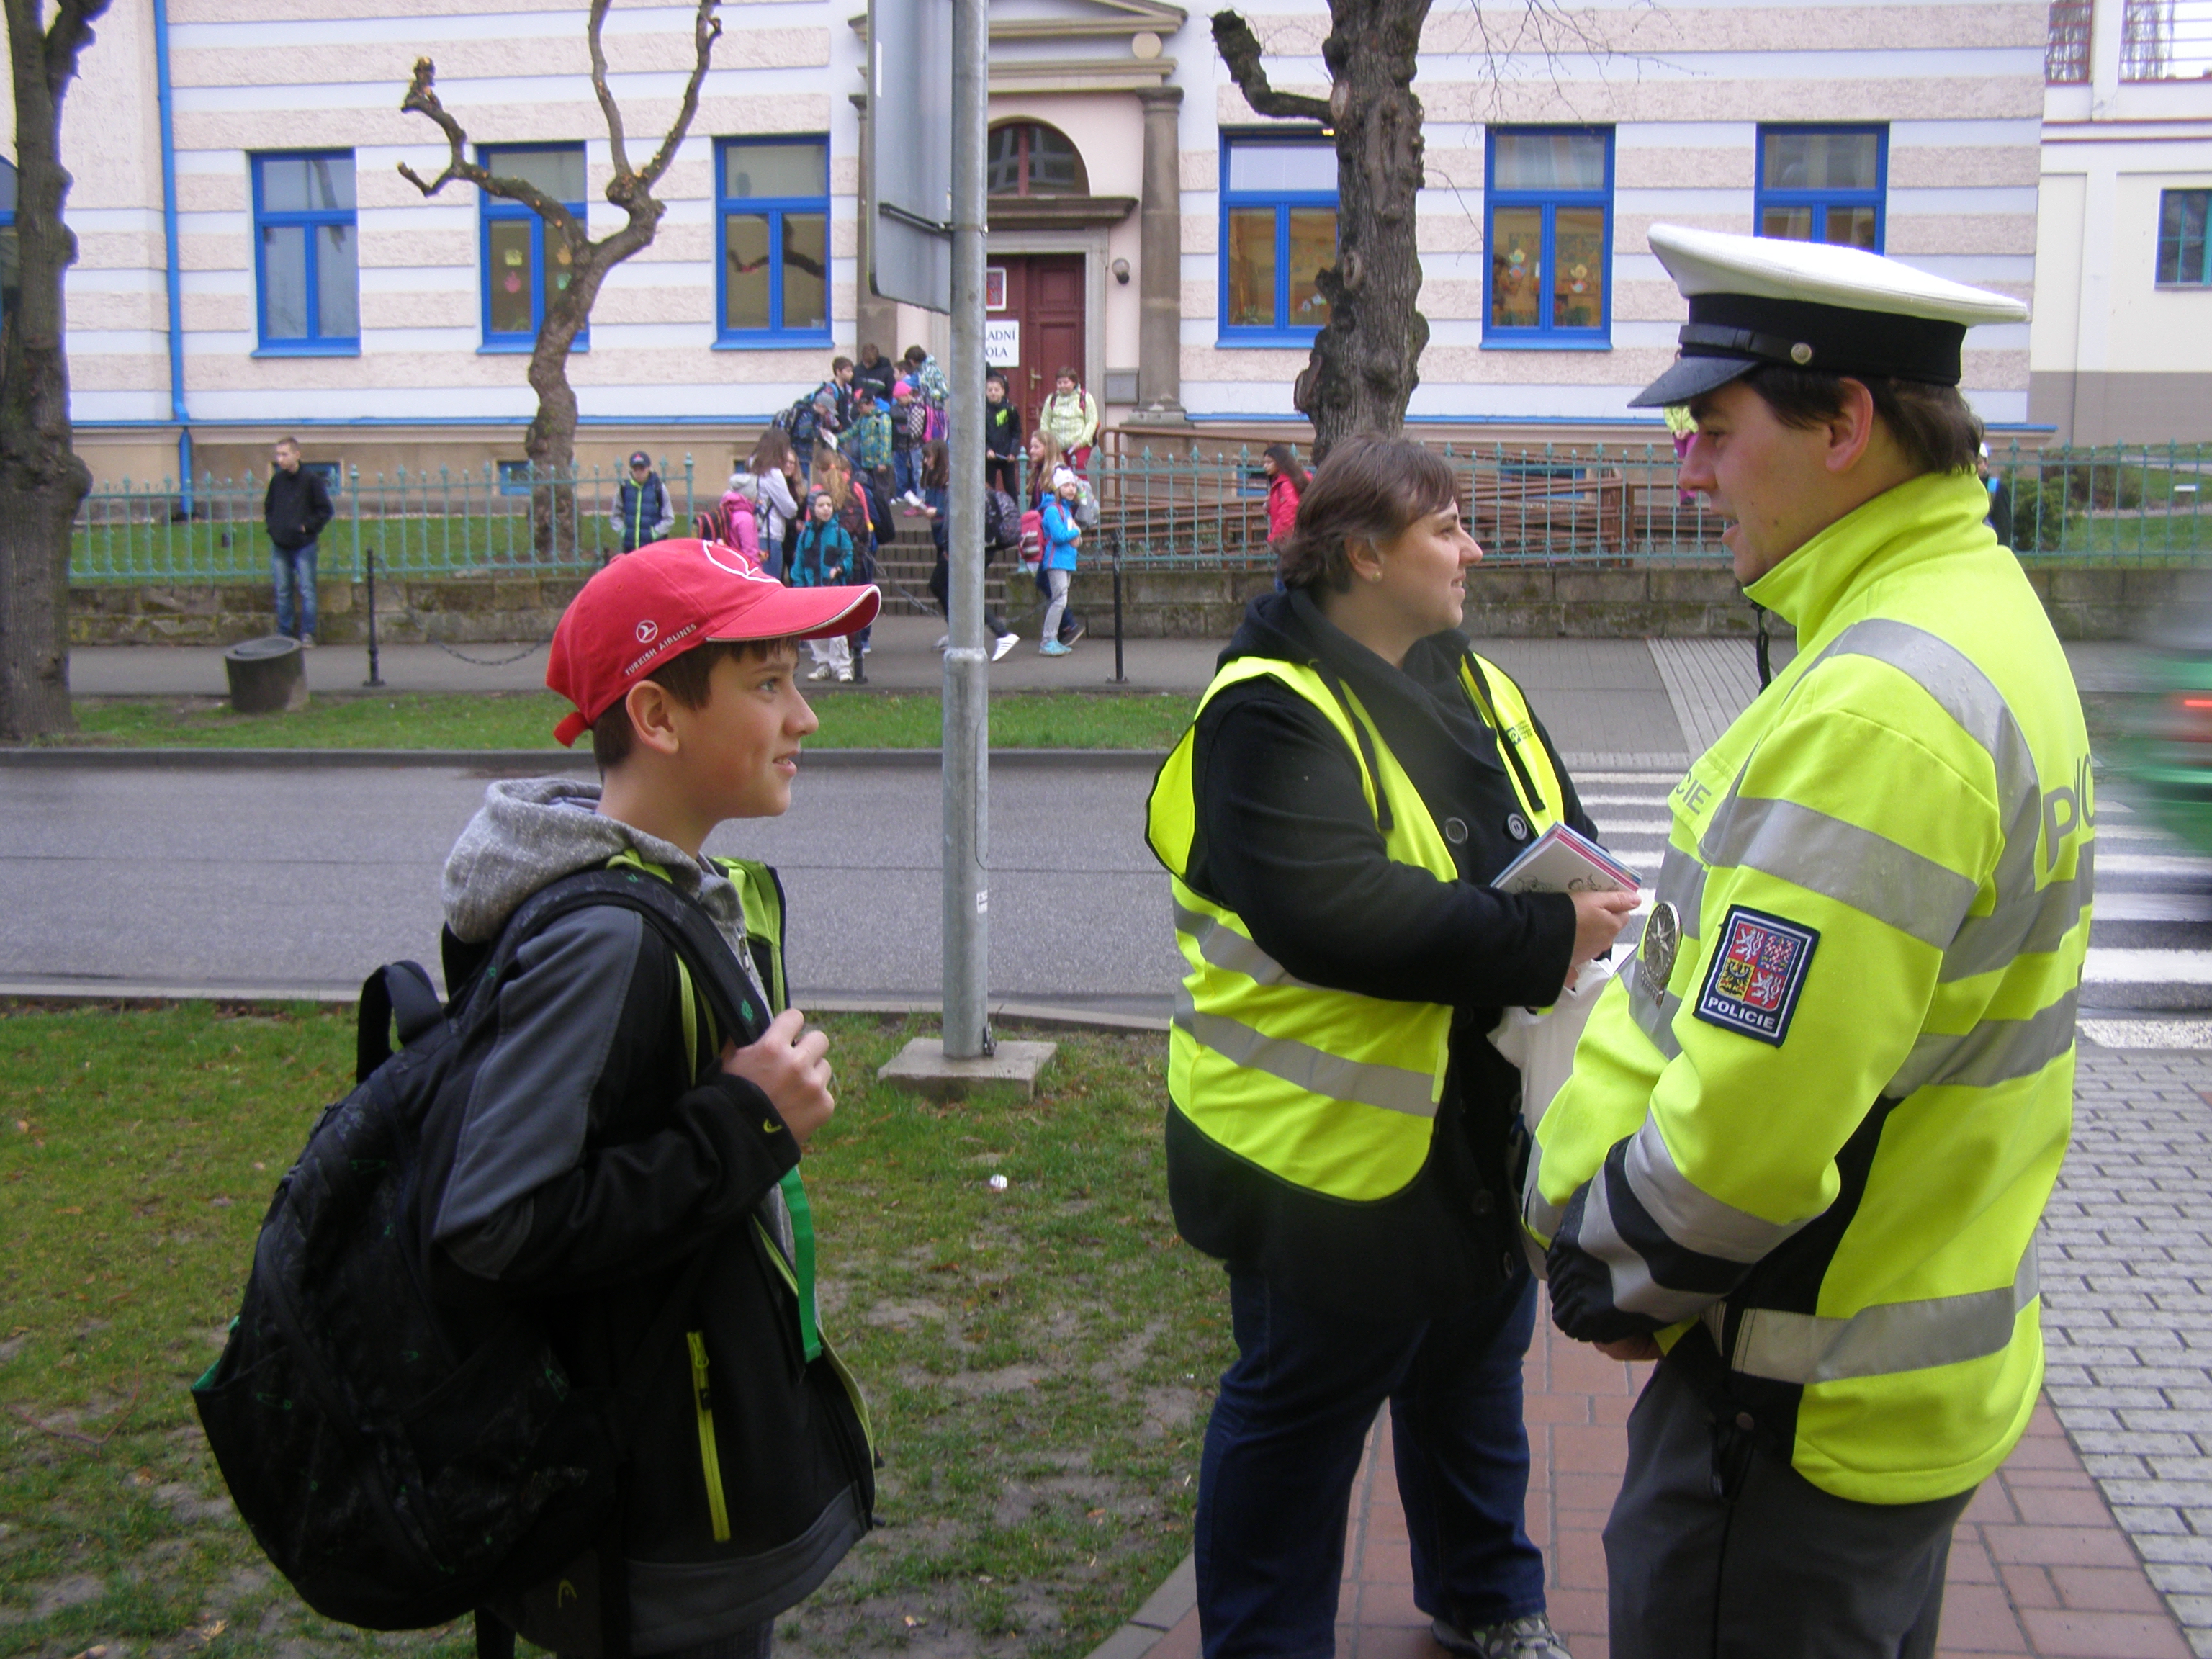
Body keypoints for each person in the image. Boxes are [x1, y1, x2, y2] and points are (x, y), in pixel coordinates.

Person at [1526, 225, 2083, 1659]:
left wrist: (1606, 1267)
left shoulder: (1882, 706)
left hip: (1787, 1409)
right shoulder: (1973, 612)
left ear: (1846, 423)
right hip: (1886, 1372)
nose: (1688, 470)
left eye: (1714, 428)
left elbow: (1761, 1127)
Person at [1144, 434, 1634, 1659]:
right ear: (1362, 550)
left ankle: (1486, 1594)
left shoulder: (1468, 675)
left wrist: (1584, 896)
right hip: (1322, 1155)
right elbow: (1331, 912)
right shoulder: (1266, 707)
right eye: (1446, 528)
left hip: (1469, 1120)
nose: (1472, 548)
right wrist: (1541, 934)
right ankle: (1261, 1639)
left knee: (1474, 1374)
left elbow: (1557, 817)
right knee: (1296, 1416)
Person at [430, 536, 881, 1659]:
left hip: (682, 1456)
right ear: (659, 716)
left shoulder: (689, 894)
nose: (805, 719)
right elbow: (493, 1226)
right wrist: (743, 1125)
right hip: (647, 1503)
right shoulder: (606, 941)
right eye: (768, 685)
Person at [909, 439, 1019, 662]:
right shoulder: (939, 481)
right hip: (960, 544)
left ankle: (1001, 633)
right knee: (945, 587)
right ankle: (960, 633)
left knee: (963, 591)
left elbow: (953, 518)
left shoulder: (955, 483)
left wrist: (949, 546)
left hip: (964, 546)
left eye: (929, 457)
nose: (926, 462)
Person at [263, 436, 333, 645]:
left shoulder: (311, 480)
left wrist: (307, 527)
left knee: (307, 589)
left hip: (303, 544)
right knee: (283, 590)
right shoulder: (277, 481)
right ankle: (285, 632)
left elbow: (325, 510)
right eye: (278, 455)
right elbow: (269, 507)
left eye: (284, 454)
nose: (280, 459)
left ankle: (307, 633)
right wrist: (273, 528)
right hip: (281, 544)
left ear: (297, 455)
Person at [791, 490, 855, 683]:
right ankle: (823, 664)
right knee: (817, 630)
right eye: (821, 505)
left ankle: (843, 666)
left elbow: (849, 557)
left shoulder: (839, 533)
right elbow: (799, 564)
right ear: (813, 509)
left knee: (837, 631)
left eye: (829, 505)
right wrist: (800, 586)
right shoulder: (805, 536)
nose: (826, 509)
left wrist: (840, 568)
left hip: (833, 589)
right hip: (812, 589)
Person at [737, 430, 801, 580]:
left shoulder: (751, 466)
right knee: (770, 582)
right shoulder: (773, 474)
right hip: (770, 535)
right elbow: (790, 509)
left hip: (749, 531)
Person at [1038, 467, 1084, 658]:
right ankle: (1047, 641)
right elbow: (1058, 536)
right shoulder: (1052, 510)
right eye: (1066, 485)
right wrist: (1077, 532)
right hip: (1056, 560)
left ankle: (1053, 640)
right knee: (1059, 601)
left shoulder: (1065, 509)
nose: (1072, 489)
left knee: (1060, 601)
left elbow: (1072, 538)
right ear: (1057, 487)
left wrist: (1077, 538)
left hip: (1066, 560)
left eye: (1073, 485)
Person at [1037, 367, 1101, 475]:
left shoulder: (1085, 398)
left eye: (1065, 382)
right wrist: (1049, 442)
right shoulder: (1052, 399)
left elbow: (1092, 422)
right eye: (1059, 383)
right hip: (1057, 445)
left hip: (1079, 444)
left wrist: (1082, 441)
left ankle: (1081, 492)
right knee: (1057, 473)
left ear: (1074, 382)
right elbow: (1045, 422)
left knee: (1078, 471)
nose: (1062, 386)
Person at [613, 451, 674, 554]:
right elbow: (615, 515)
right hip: (630, 548)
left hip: (653, 548)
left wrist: (654, 533)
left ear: (649, 468)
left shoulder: (658, 488)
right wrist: (624, 532)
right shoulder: (624, 488)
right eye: (635, 469)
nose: (639, 473)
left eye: (642, 469)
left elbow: (669, 518)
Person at [1260, 442, 1308, 548]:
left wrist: (1274, 537)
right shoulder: (1287, 480)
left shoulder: (1286, 484)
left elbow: (1290, 511)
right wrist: (1269, 505)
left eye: (1269, 462)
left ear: (1280, 463)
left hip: (1290, 540)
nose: (1265, 466)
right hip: (1295, 537)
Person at [984, 372, 1024, 495]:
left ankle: (1014, 512)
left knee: (1010, 487)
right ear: (985, 392)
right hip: (989, 456)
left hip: (1007, 456)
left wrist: (1013, 451)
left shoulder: (1010, 409)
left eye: (997, 390)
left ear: (1002, 391)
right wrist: (987, 450)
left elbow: (1016, 432)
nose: (993, 393)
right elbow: (979, 435)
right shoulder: (982, 410)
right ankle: (989, 512)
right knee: (988, 487)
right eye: (990, 390)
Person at [890, 378, 928, 502]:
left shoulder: (916, 407)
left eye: (899, 399)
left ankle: (921, 499)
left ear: (906, 395)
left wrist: (907, 434)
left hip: (917, 445)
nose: (898, 402)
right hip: (918, 445)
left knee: (919, 472)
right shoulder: (919, 405)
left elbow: (916, 432)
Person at [853, 341, 898, 406]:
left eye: (871, 363)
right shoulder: (857, 370)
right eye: (866, 362)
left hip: (880, 407)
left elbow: (891, 391)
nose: (868, 366)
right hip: (861, 408)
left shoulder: (887, 371)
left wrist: (887, 406)